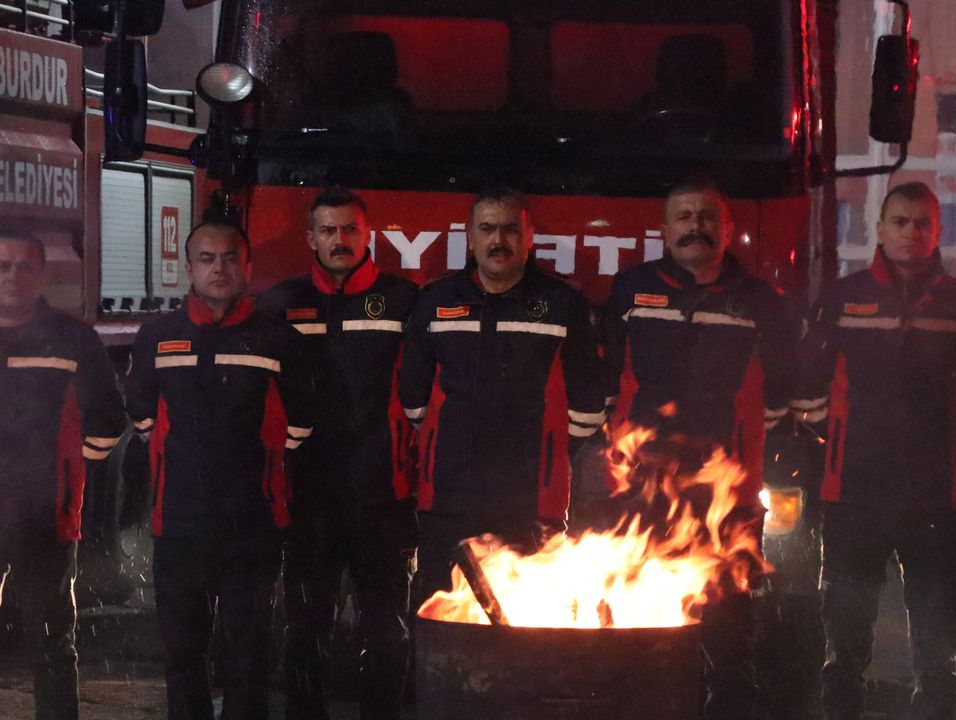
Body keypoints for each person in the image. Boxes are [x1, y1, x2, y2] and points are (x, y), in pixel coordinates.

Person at [795, 181, 956, 720]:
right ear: (879, 228)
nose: (912, 232)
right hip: (853, 489)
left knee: (937, 632)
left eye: (922, 223)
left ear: (937, 231)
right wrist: (842, 437)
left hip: (936, 494)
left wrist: (940, 438)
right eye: (901, 221)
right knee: (845, 627)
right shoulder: (841, 299)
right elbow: (807, 383)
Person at [599, 176, 797, 719]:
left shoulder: (758, 300)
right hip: (644, 484)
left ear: (728, 229)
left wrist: (742, 454)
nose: (696, 227)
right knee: (634, 604)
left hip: (726, 489)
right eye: (684, 217)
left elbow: (782, 390)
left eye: (708, 217)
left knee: (728, 618)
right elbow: (606, 375)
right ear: (665, 229)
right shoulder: (631, 289)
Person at [125, 220, 313, 720]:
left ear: (247, 265)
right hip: (179, 524)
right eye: (206, 258)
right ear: (188, 268)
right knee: (183, 656)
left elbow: (301, 422)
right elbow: (140, 414)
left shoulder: (277, 339)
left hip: (253, 526)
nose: (219, 268)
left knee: (248, 657)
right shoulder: (158, 336)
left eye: (230, 257)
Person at [398, 187, 605, 603]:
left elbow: (588, 404)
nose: (499, 240)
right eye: (487, 229)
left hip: (531, 500)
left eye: (511, 230)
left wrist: (546, 452)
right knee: (439, 608)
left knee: (532, 616)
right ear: (470, 238)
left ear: (529, 238)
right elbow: (413, 396)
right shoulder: (436, 300)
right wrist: (446, 441)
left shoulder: (563, 303)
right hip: (448, 496)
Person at [256, 187, 418, 720]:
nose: (340, 240)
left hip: (382, 495)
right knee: (306, 628)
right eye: (328, 230)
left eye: (350, 229)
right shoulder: (281, 303)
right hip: (309, 496)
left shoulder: (404, 300)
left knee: (387, 630)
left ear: (369, 235)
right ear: (311, 238)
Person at [0, 230, 126, 719]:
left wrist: (69, 478)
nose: (13, 275)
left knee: (51, 643)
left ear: (43, 274)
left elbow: (109, 419)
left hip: (45, 516)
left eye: (25, 266)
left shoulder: (73, 339)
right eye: (3, 266)